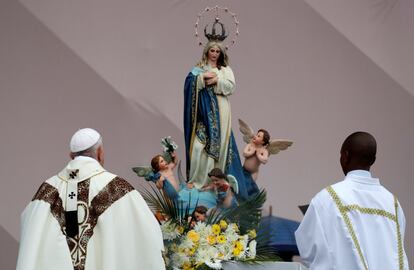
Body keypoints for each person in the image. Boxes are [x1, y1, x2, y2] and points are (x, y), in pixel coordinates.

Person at [16, 128, 165, 270]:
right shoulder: (117, 189)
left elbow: (31, 236)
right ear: (100, 153)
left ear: (71, 156)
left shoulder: (46, 191)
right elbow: (147, 237)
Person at [295, 132, 409, 270]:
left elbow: (308, 252)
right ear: (373, 160)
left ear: (345, 156)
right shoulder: (393, 204)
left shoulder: (326, 199)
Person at [184, 40, 257, 199]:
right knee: (198, 147)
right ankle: (197, 180)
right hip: (203, 113)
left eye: (218, 51)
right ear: (207, 51)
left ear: (221, 53)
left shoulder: (225, 70)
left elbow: (231, 87)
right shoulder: (199, 69)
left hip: (221, 112)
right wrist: (201, 79)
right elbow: (190, 83)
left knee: (218, 145)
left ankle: (212, 181)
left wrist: (217, 80)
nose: (215, 54)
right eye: (212, 51)